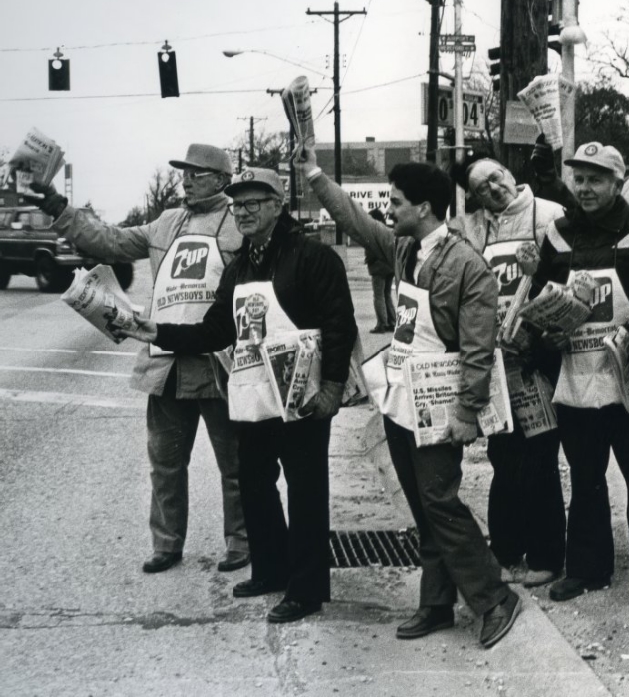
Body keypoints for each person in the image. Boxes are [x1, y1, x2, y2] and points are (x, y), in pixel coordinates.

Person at [297, 149, 522, 649]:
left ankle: (493, 596)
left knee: (439, 501)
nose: (389, 210)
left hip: (442, 403)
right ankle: (437, 602)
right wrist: (313, 173)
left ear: (424, 208)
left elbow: (479, 348)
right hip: (402, 397)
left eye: (397, 202)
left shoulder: (468, 267)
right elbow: (353, 219)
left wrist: (467, 412)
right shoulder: (403, 250)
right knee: (423, 507)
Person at [117, 167, 358, 624]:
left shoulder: (312, 257)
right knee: (252, 482)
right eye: (238, 205)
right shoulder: (242, 266)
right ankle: (270, 568)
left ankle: (306, 589)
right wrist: (157, 331)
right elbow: (216, 330)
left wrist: (331, 389)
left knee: (307, 492)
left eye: (253, 203)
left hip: (301, 396)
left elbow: (338, 326)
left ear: (278, 205)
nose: (243, 212)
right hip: (254, 395)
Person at [29, 144, 249, 575]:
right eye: (184, 172)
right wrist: (57, 205)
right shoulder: (166, 222)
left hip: (219, 363)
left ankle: (242, 541)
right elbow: (108, 241)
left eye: (197, 173)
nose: (185, 179)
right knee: (165, 464)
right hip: (165, 364)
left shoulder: (240, 222)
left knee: (236, 464)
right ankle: (167, 544)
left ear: (222, 180)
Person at [531, 142, 629, 610]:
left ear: (617, 183)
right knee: (585, 477)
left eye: (596, 179)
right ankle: (588, 568)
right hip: (576, 376)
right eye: (579, 178)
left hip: (628, 378)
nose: (586, 188)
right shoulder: (556, 235)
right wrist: (547, 336)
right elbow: (540, 303)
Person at [450, 157, 566, 587]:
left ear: (510, 173)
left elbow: (570, 281)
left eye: (496, 177)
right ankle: (504, 548)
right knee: (503, 457)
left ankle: (547, 555)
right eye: (481, 187)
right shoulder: (471, 228)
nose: (493, 189)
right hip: (495, 363)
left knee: (539, 458)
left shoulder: (551, 215)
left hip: (536, 361)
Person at [366, 209, 395, 334]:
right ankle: (392, 322)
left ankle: (381, 324)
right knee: (387, 294)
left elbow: (371, 251)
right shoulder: (387, 230)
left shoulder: (373, 232)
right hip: (389, 266)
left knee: (378, 295)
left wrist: (369, 261)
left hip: (378, 267)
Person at [527, 136, 576, 210]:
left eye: (541, 161)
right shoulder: (532, 183)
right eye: (536, 161)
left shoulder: (560, 188)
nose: (538, 165)